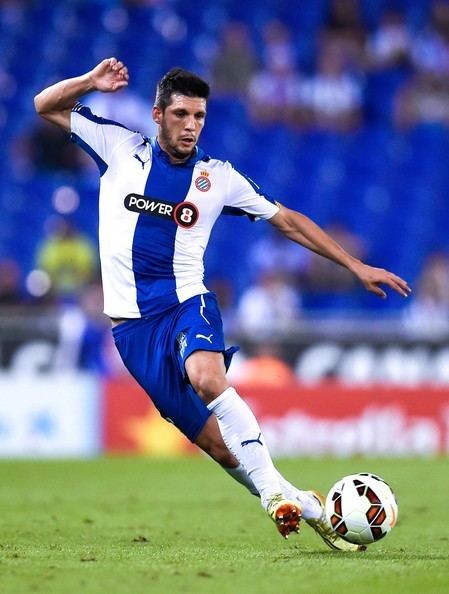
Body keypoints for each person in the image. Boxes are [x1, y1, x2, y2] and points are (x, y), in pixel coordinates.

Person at [34, 57, 411, 550]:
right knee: (217, 446)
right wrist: (89, 82)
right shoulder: (119, 147)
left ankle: (273, 494)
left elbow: (289, 220)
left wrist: (354, 266)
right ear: (157, 114)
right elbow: (45, 105)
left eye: (199, 117)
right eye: (181, 115)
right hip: (132, 330)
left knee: (208, 377)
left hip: (187, 304)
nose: (191, 126)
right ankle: (314, 508)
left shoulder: (218, 178)